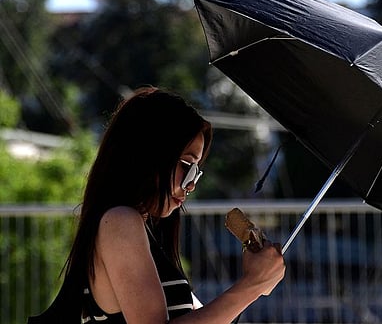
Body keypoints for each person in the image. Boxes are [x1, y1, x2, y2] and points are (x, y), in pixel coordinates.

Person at [28, 86, 285, 324]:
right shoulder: (120, 222)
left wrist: (258, 281)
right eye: (187, 167)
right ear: (149, 156)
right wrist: (251, 284)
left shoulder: (141, 228)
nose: (191, 184)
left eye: (197, 172)